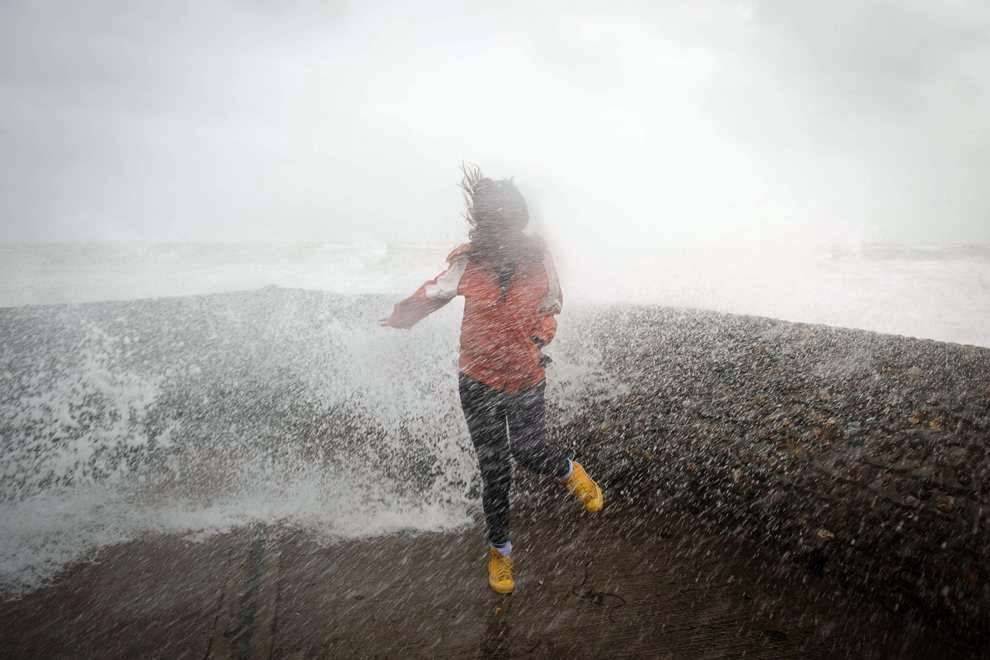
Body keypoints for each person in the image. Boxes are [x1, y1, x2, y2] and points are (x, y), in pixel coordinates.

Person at [380, 164, 603, 594]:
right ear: (486, 223)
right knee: (495, 472)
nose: (504, 229)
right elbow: (434, 292)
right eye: (495, 221)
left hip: (526, 376)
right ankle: (501, 552)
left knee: (529, 451)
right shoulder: (467, 262)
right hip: (478, 380)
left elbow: (552, 304)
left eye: (509, 220)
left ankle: (570, 470)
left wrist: (540, 338)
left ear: (516, 221)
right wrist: (401, 317)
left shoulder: (539, 259)